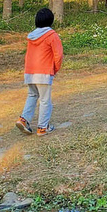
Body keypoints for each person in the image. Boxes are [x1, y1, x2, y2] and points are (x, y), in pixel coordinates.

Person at [16, 7, 63, 136]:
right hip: (44, 73)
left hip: (30, 72)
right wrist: (54, 69)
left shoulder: (31, 36)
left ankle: (23, 119)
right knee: (45, 100)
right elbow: (58, 55)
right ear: (51, 20)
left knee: (32, 95)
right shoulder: (52, 35)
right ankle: (43, 127)